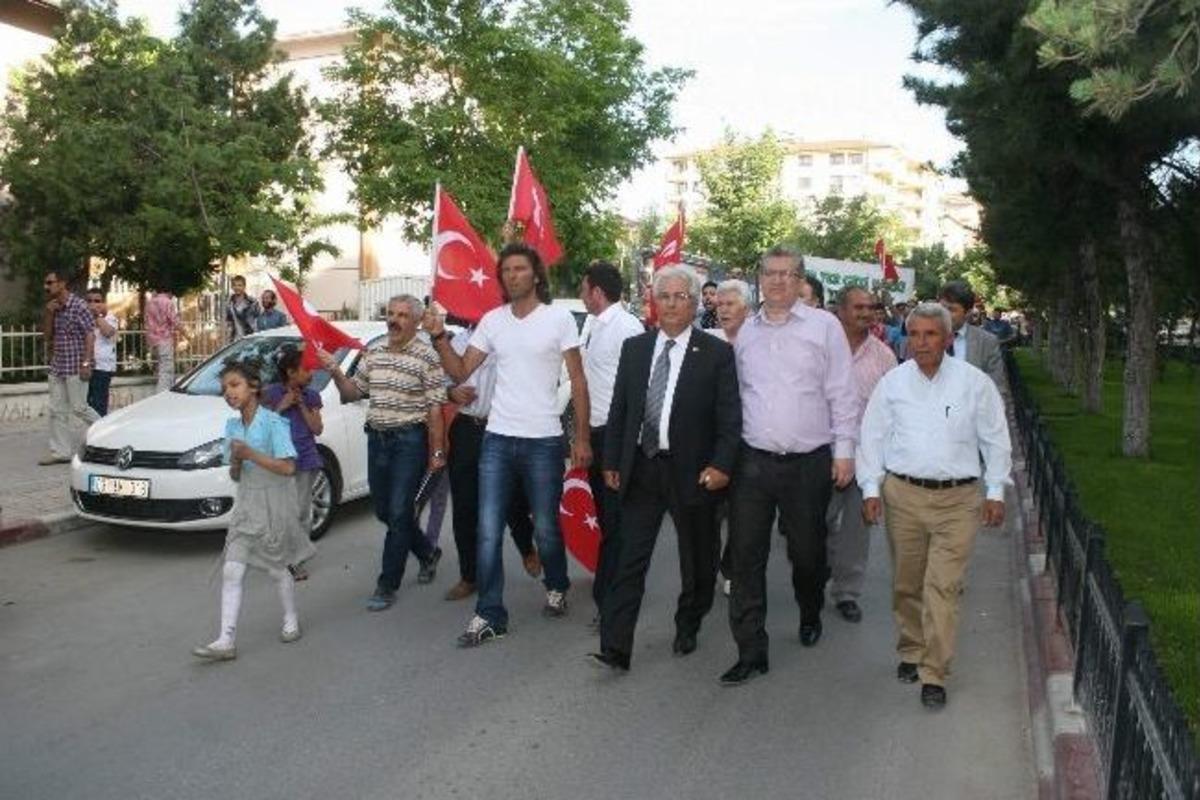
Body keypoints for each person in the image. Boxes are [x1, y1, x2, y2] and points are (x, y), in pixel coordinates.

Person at [423, 242, 592, 647]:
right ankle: (490, 613)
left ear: (536, 275)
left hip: (543, 439)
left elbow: (579, 381)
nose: (512, 275)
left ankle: (556, 582)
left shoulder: (558, 320)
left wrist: (581, 437)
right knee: (488, 528)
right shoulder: (493, 321)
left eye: (520, 269)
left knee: (547, 527)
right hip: (497, 438)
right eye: (507, 271)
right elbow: (461, 371)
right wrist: (439, 337)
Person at [857, 302, 1011, 709]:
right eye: (915, 334)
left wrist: (995, 491)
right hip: (904, 496)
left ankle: (934, 672)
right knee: (907, 583)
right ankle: (911, 648)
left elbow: (995, 439)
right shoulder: (892, 383)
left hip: (959, 501)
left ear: (947, 338)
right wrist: (870, 488)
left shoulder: (974, 384)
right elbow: (871, 437)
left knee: (942, 586)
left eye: (930, 334)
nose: (921, 342)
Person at [587, 266, 741, 672]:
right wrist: (613, 462)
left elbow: (730, 420)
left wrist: (721, 465)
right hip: (642, 468)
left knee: (697, 559)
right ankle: (616, 646)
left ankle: (689, 621)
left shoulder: (717, 354)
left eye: (680, 297)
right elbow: (621, 410)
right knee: (629, 559)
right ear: (654, 302)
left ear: (693, 304)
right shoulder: (636, 349)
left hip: (693, 473)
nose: (672, 304)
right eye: (665, 296)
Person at [721, 246, 858, 686]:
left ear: (801, 281)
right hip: (753, 463)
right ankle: (751, 650)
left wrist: (844, 451)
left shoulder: (825, 328)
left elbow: (841, 392)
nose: (778, 281)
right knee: (745, 557)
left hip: (809, 464)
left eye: (787, 274)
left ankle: (810, 607)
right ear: (759, 279)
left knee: (807, 552)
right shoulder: (746, 333)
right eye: (770, 273)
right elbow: (734, 397)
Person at [319, 295, 446, 611]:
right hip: (377, 441)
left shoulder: (427, 357)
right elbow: (352, 393)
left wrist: (437, 451)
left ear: (416, 322)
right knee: (385, 512)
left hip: (409, 443)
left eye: (403, 315)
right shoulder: (373, 352)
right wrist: (336, 371)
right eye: (390, 314)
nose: (394, 320)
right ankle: (428, 552)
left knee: (401, 512)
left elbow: (435, 409)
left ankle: (387, 584)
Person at [192, 360, 306, 661]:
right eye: (224, 388)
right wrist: (238, 461)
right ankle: (225, 640)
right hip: (247, 505)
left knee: (277, 568)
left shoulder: (274, 423)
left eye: (234, 385)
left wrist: (251, 453)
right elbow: (235, 475)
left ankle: (290, 616)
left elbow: (288, 467)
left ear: (253, 387)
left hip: (274, 504)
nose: (228, 393)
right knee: (232, 570)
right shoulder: (232, 427)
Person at [441, 320, 543, 602]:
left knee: (511, 499)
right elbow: (442, 383)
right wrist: (452, 392)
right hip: (466, 428)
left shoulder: (512, 337)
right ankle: (469, 576)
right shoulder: (459, 342)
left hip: (502, 427)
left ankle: (527, 548)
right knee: (464, 506)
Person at [825, 287, 897, 623]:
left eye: (871, 308)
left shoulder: (884, 357)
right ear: (840, 310)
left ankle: (847, 592)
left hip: (865, 456)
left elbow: (892, 412)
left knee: (857, 527)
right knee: (814, 523)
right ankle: (820, 568)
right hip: (819, 451)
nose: (866, 313)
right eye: (858, 307)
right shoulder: (820, 349)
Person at [579, 260, 644, 620]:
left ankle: (613, 600)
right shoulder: (594, 324)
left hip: (618, 440)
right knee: (608, 519)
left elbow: (638, 389)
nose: (580, 296)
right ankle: (612, 593)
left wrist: (623, 447)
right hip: (598, 435)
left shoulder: (627, 327)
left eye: (583, 289)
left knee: (618, 523)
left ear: (597, 293)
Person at [262, 346, 322, 582]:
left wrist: (301, 405)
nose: (311, 373)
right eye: (306, 369)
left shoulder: (311, 396)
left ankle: (296, 560)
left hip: (305, 459)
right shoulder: (271, 394)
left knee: (300, 511)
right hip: (279, 460)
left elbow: (317, 428)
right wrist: (283, 405)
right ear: (290, 372)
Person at [39, 270, 100, 465]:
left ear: (62, 283)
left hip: (76, 365)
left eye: (50, 283)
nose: (46, 287)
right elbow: (47, 336)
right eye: (46, 283)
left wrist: (86, 363)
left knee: (79, 408)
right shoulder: (54, 307)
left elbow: (90, 335)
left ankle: (108, 433)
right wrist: (49, 313)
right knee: (57, 410)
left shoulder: (79, 306)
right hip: (58, 366)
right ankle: (61, 452)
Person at [937, 281, 1007, 391]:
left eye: (951, 309)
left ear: (968, 312)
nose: (944, 314)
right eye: (941, 308)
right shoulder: (922, 336)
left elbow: (998, 388)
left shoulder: (986, 342)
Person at [85, 288, 118, 416]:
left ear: (103, 303)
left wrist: (97, 316)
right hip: (87, 366)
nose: (93, 304)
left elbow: (108, 332)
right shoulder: (83, 317)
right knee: (85, 404)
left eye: (97, 301)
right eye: (89, 301)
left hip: (102, 368)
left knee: (99, 404)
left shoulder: (110, 317)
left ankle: (99, 431)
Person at [144, 288, 179, 393]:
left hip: (153, 340)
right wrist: (187, 334)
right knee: (166, 369)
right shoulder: (168, 302)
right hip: (164, 338)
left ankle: (162, 391)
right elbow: (174, 320)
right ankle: (162, 393)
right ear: (169, 291)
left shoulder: (150, 302)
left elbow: (147, 320)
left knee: (159, 367)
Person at [708, 279, 752, 344]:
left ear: (746, 309)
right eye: (720, 304)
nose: (723, 310)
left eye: (730, 304)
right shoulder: (708, 340)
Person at [225, 275, 260, 340]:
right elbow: (228, 321)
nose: (237, 287)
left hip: (250, 337)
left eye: (239, 285)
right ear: (232, 287)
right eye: (234, 285)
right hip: (234, 338)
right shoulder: (228, 303)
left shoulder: (253, 302)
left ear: (244, 286)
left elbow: (258, 320)